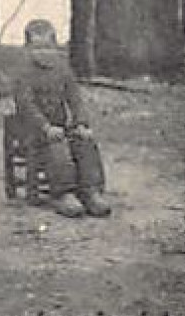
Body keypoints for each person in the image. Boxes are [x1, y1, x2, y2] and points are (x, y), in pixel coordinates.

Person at [13, 19, 112, 218]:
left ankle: (90, 191)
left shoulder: (62, 69)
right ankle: (63, 192)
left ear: (56, 47)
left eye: (48, 48)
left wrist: (81, 123)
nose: (44, 53)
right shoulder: (23, 73)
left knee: (84, 141)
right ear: (27, 49)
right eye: (37, 48)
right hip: (35, 131)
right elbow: (27, 106)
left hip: (60, 126)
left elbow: (75, 99)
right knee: (57, 146)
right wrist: (46, 127)